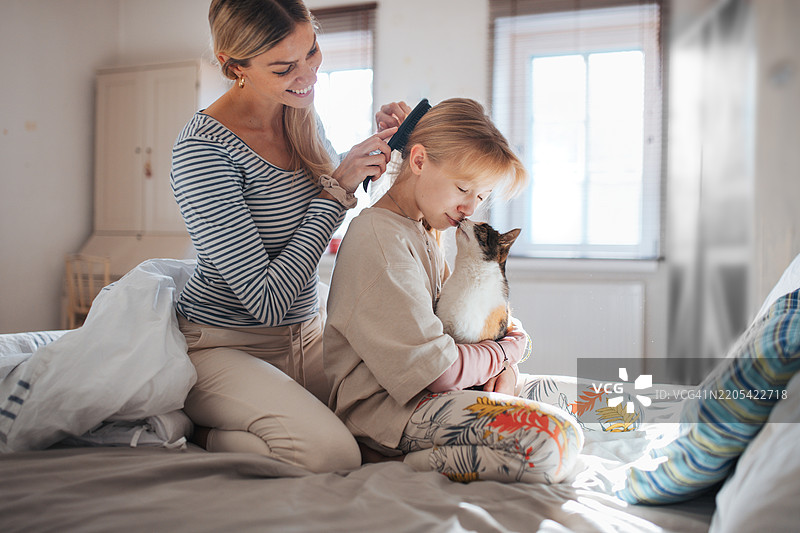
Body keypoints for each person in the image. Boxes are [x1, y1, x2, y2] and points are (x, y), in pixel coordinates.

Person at [169, 0, 397, 474]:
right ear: (237, 68)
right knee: (331, 455)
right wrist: (338, 189)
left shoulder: (298, 113)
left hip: (307, 334)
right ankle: (204, 433)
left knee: (386, 431)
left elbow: (338, 196)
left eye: (311, 51)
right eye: (284, 67)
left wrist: (387, 148)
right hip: (224, 345)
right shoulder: (202, 150)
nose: (308, 74)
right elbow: (266, 300)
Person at [323, 98, 584, 483]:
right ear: (418, 161)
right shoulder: (380, 240)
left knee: (613, 403)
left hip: (451, 391)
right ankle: (409, 465)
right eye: (463, 188)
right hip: (393, 415)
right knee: (556, 441)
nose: (469, 207)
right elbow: (440, 372)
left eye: (480, 197)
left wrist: (507, 370)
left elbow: (469, 322)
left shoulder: (427, 229)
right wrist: (508, 351)